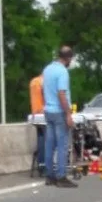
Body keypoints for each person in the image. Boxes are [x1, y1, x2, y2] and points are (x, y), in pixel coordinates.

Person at [42, 46, 77, 188]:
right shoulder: (63, 72)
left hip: (48, 110)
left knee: (49, 144)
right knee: (62, 145)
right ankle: (61, 176)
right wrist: (68, 114)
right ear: (68, 58)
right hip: (59, 111)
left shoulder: (47, 69)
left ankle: (49, 175)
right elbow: (61, 93)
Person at [29, 74, 45, 174]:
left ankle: (41, 165)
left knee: (41, 138)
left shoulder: (34, 81)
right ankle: (44, 166)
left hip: (36, 115)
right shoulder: (44, 82)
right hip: (44, 113)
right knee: (46, 140)